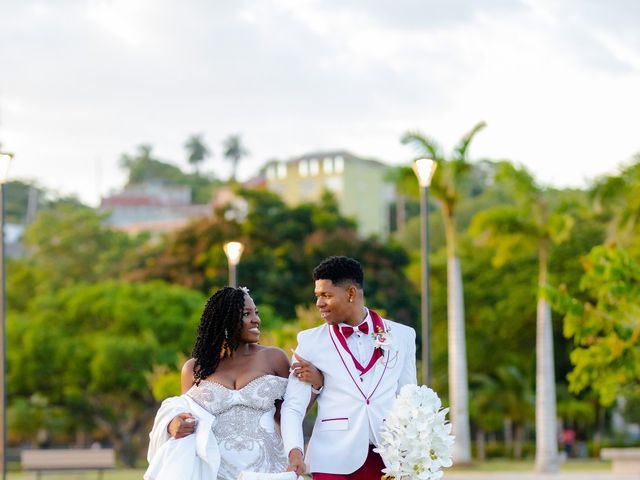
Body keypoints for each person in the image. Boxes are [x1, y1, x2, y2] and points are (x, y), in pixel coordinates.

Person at [146, 286, 323, 480]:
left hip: (269, 470)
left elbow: (290, 414)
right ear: (224, 319)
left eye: (256, 313)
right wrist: (172, 423)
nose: (256, 319)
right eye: (247, 314)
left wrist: (314, 387)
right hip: (214, 471)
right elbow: (182, 412)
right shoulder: (194, 369)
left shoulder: (274, 358)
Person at [281, 256, 417, 479]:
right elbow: (293, 406)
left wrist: (413, 449)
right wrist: (295, 452)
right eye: (317, 296)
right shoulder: (309, 341)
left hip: (386, 456)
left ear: (351, 293)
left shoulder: (403, 336)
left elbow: (408, 396)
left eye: (326, 295)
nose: (319, 304)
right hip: (331, 456)